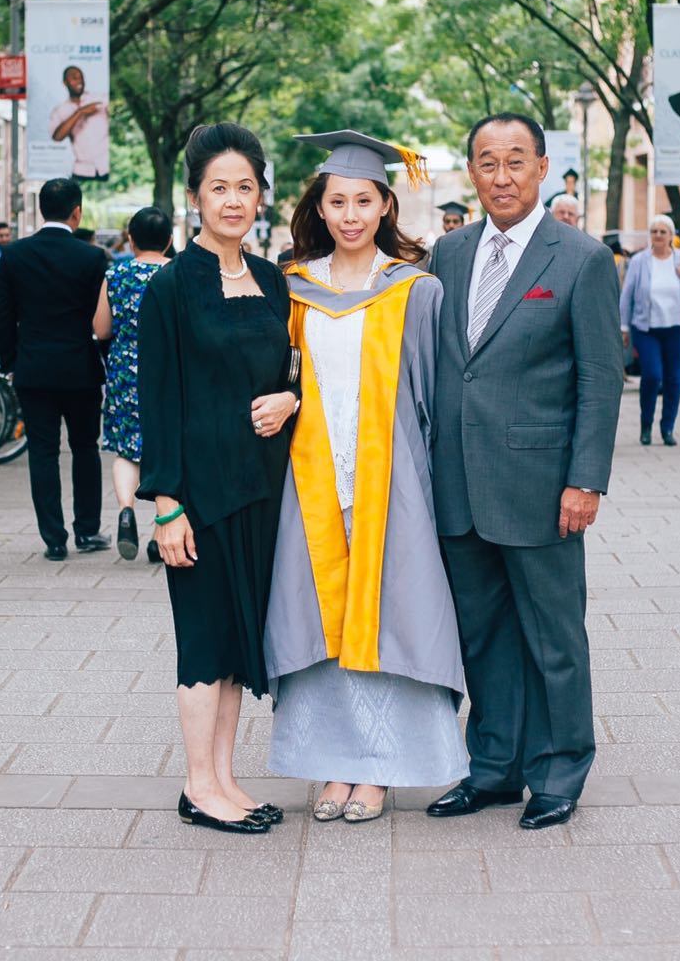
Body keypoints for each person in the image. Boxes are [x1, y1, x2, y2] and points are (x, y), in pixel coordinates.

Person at [427, 113, 623, 831]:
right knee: (482, 636)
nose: (501, 176)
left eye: (516, 161)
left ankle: (560, 771)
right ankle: (494, 769)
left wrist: (586, 479)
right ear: (471, 172)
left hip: (544, 488)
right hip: (459, 485)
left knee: (554, 638)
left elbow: (601, 380)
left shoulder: (580, 257)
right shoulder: (446, 255)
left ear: (543, 168)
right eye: (487, 162)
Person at [265, 131, 466, 824]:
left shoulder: (416, 291)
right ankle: (331, 766)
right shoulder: (291, 288)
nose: (350, 214)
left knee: (395, 621)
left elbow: (438, 398)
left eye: (363, 200)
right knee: (317, 621)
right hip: (311, 484)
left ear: (386, 205)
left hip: (394, 484)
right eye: (336, 201)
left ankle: (380, 772)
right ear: (318, 209)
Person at [137, 123, 300, 836]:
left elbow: (292, 372)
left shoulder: (270, 278)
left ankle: (225, 779)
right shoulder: (170, 286)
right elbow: (158, 400)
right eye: (218, 188)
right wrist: (167, 505)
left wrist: (290, 400)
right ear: (195, 197)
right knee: (203, 640)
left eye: (245, 187)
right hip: (199, 495)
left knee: (238, 641)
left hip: (261, 489)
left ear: (261, 194)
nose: (233, 201)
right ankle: (199, 786)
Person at [0, 178, 109, 561]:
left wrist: (9, 364)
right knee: (85, 448)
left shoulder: (14, 255)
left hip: (33, 368)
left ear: (41, 210)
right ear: (76, 212)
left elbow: (4, 317)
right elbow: (101, 320)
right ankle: (87, 530)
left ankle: (53, 538)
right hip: (80, 368)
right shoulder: (92, 258)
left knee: (42, 452)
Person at [93, 206, 172, 562]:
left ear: (131, 238)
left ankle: (126, 509)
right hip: (169, 370)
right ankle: (161, 530)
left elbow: (101, 329)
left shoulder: (117, 273)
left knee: (128, 450)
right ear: (170, 240)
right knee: (167, 448)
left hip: (126, 373)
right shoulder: (177, 273)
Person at [619, 215, 680, 446]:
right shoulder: (639, 261)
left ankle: (667, 428)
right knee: (653, 375)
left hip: (677, 327)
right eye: (654, 231)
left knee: (674, 379)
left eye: (662, 232)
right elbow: (627, 295)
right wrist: (624, 326)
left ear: (671, 236)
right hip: (646, 328)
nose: (657, 235)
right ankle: (646, 424)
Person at [49, 65, 109, 181]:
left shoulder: (100, 99)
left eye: (81, 77)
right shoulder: (60, 110)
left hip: (106, 167)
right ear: (65, 83)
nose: (79, 81)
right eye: (74, 78)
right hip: (82, 170)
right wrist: (79, 112)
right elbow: (57, 137)